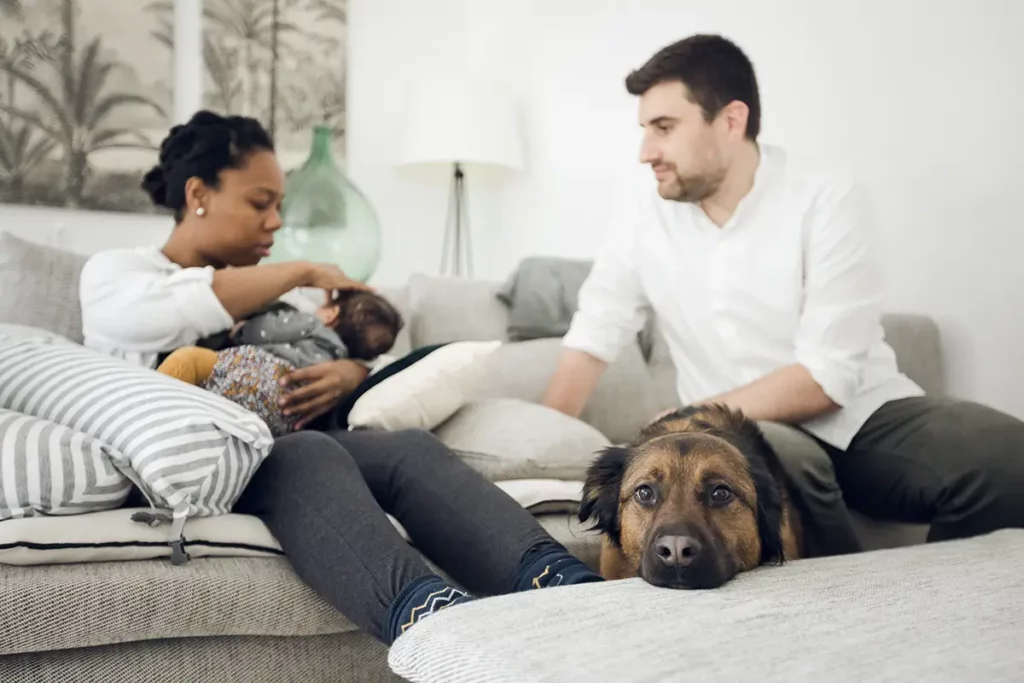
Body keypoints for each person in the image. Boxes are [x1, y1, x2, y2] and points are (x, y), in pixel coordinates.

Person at [79, 110, 601, 646]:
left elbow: (355, 352)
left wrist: (348, 372)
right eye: (260, 203)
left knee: (408, 450)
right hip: (191, 464)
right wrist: (302, 270)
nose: (275, 222)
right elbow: (179, 308)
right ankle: (439, 629)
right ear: (198, 194)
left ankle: (571, 591)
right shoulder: (117, 274)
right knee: (308, 450)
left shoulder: (279, 303)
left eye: (279, 207)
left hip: (282, 447)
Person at [542, 34, 1024, 555]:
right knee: (786, 460)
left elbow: (827, 376)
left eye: (664, 128)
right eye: (645, 131)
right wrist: (542, 446)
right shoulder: (642, 216)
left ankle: (948, 594)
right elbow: (594, 332)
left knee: (1007, 457)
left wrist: (692, 410)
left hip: (862, 416)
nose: (646, 152)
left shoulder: (826, 196)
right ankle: (840, 596)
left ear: (731, 121)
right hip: (741, 436)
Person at [156, 289, 404, 435]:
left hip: (263, 375)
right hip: (285, 414)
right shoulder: (335, 374)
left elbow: (265, 330)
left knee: (188, 361)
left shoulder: (311, 323)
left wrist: (242, 330)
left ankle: (149, 420)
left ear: (331, 314)